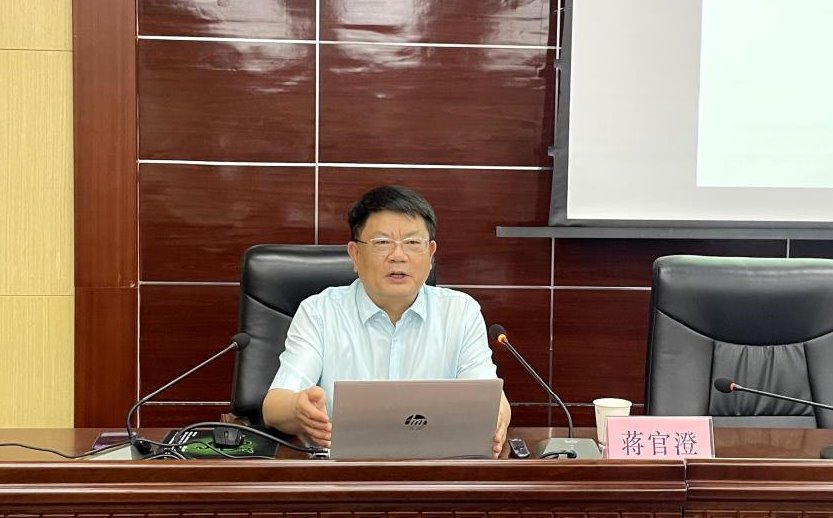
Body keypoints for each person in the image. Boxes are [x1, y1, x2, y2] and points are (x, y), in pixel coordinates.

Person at [261, 185, 511, 457]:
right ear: (355, 254)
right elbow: (273, 407)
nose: (398, 256)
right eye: (382, 243)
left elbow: (490, 397)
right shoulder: (319, 312)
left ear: (430, 254)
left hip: (435, 471)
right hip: (341, 474)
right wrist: (298, 408)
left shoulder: (460, 312)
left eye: (412, 243)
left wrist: (497, 418)